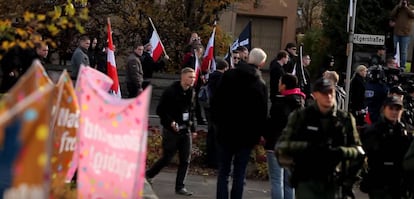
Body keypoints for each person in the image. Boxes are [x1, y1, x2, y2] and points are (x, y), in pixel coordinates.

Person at [276, 78, 365, 199]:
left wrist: (341, 152)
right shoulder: (301, 117)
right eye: (324, 93)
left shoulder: (345, 119)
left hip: (334, 181)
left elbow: (359, 152)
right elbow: (282, 148)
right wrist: (307, 149)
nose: (328, 96)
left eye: (331, 92)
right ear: (315, 94)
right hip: (308, 180)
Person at [211, 48, 268, 199]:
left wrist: (217, 123)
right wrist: (258, 135)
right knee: (239, 173)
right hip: (246, 136)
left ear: (248, 58)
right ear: (262, 63)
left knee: (223, 172)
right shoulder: (260, 83)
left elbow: (217, 101)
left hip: (226, 131)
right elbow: (262, 114)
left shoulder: (229, 75)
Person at [145, 67, 197, 196]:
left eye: (194, 77)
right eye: (190, 77)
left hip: (185, 131)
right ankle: (148, 175)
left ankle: (180, 186)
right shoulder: (171, 91)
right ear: (183, 77)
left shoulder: (192, 92)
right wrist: (170, 122)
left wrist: (193, 128)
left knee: (185, 159)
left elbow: (192, 111)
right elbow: (160, 110)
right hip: (171, 131)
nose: (193, 80)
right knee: (167, 158)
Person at [360, 96, 413, 199]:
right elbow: (362, 155)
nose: (394, 112)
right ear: (384, 109)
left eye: (397, 109)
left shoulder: (407, 133)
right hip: (378, 181)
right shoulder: (372, 131)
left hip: (398, 182)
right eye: (391, 108)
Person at [265, 74, 305, 199]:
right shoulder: (300, 102)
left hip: (277, 144)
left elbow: (273, 125)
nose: (278, 84)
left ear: (284, 85)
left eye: (280, 82)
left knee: (277, 180)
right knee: (288, 183)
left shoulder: (279, 103)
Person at [205, 58, 228, 169]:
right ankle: (216, 161)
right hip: (218, 110)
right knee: (217, 136)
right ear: (225, 68)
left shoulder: (211, 77)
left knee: (211, 135)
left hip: (210, 109)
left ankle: (209, 160)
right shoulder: (221, 78)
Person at [390, 0, 414, 71]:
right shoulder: (398, 8)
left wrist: (406, 7)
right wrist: (398, 6)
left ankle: (402, 66)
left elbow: (412, 15)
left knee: (403, 51)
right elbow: (392, 14)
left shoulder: (411, 8)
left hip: (405, 33)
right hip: (396, 32)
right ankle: (394, 64)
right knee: (394, 49)